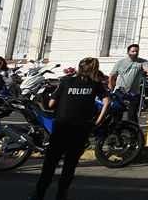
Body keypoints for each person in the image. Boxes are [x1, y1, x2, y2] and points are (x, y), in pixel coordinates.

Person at [30, 57, 111, 200]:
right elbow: (107, 102)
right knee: (70, 163)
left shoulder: (67, 82)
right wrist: (98, 122)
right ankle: (61, 194)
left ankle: (39, 192)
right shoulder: (95, 85)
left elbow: (51, 103)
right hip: (80, 128)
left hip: (61, 126)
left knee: (50, 162)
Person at [108, 43, 148, 122]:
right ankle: (116, 130)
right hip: (120, 92)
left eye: (137, 51)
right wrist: (111, 90)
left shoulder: (142, 62)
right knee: (117, 113)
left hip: (134, 93)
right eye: (133, 51)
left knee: (132, 115)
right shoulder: (120, 63)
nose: (135, 53)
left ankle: (133, 131)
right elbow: (111, 77)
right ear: (128, 52)